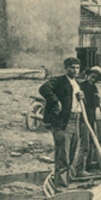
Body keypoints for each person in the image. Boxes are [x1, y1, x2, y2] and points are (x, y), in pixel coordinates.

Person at [39, 57, 85, 189]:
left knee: (72, 154)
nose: (75, 70)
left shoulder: (77, 84)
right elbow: (44, 89)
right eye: (72, 68)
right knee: (62, 156)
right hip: (63, 122)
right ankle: (60, 187)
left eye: (77, 68)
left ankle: (68, 183)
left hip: (76, 120)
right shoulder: (58, 81)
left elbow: (76, 102)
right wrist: (55, 102)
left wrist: (82, 97)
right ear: (66, 68)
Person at [74, 66, 101, 176]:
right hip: (83, 119)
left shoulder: (94, 88)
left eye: (95, 78)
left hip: (92, 118)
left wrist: (97, 100)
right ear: (88, 75)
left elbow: (95, 105)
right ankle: (79, 170)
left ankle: (88, 165)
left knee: (93, 142)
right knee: (84, 145)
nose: (93, 80)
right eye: (92, 77)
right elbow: (79, 103)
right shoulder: (81, 86)